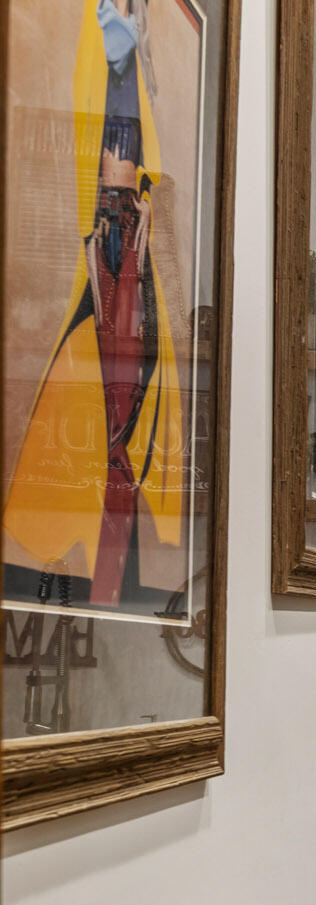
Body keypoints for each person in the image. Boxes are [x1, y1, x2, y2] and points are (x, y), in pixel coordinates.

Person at [5, 0, 185, 612]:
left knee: (125, 393)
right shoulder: (98, 42)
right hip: (109, 221)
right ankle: (80, 565)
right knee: (109, 391)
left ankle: (98, 569)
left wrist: (138, 204)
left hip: (123, 219)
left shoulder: (130, 62)